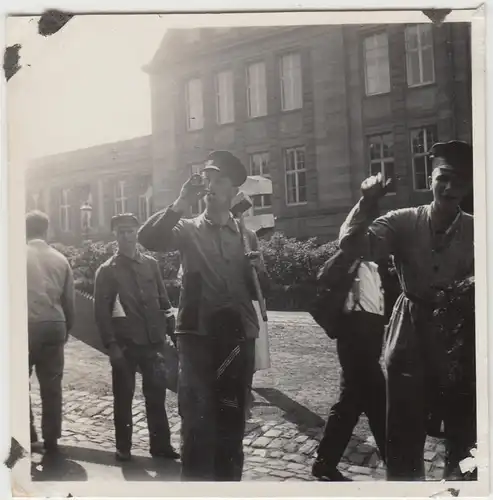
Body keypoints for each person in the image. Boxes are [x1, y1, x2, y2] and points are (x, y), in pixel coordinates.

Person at [338, 140, 474, 481]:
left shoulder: (478, 230)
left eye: (459, 180)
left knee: (465, 439)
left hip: (460, 345)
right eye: (443, 177)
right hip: (409, 337)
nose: (449, 187)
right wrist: (366, 202)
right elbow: (352, 244)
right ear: (430, 178)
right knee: (403, 436)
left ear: (469, 186)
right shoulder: (403, 221)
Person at [138, 150, 268, 481]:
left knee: (232, 423)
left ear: (232, 191)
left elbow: (259, 293)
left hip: (238, 340)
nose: (210, 185)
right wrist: (181, 201)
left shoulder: (246, 235)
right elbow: (148, 238)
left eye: (219, 180)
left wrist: (260, 271)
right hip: (198, 340)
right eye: (208, 178)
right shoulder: (187, 228)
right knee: (197, 426)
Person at [94, 213, 179, 462]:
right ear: (115, 236)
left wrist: (173, 333)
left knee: (156, 396)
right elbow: (101, 312)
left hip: (154, 342)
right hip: (125, 345)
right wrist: (112, 346)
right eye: (121, 231)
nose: (126, 236)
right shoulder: (107, 270)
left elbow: (164, 302)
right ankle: (124, 447)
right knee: (123, 397)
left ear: (137, 232)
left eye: (130, 230)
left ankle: (160, 446)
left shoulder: (151, 264)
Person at [312, 260, 387, 481]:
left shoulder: (373, 266)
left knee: (359, 403)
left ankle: (324, 463)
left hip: (371, 335)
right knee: (373, 402)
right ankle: (397, 463)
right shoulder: (348, 259)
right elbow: (323, 284)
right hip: (354, 336)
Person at [26, 210, 75, 453]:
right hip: (54, 324)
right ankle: (52, 437)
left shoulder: (13, 256)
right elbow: (70, 300)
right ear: (46, 230)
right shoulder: (60, 259)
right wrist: (66, 328)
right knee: (52, 384)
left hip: (24, 327)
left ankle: (28, 431)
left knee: (18, 383)